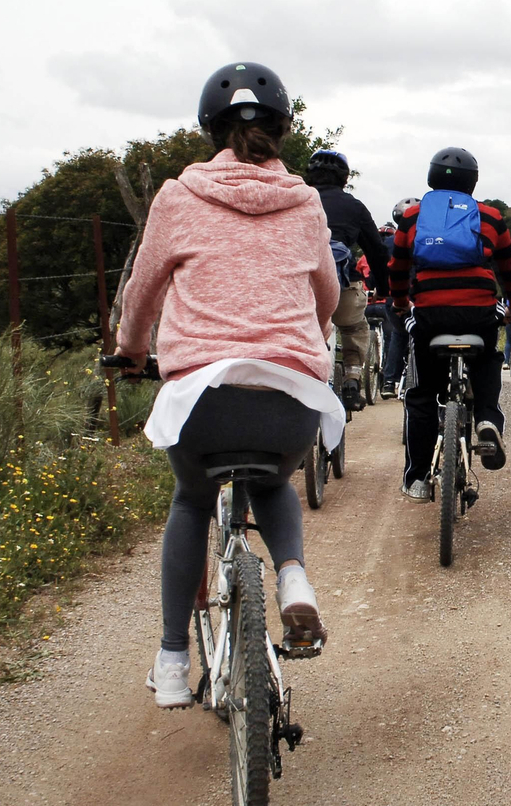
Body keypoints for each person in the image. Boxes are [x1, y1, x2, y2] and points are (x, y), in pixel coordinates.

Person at [116, 61, 346, 709]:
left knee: (193, 499)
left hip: (204, 397)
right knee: (272, 479)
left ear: (212, 130)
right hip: (291, 395)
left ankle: (170, 661)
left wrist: (132, 350)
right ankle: (293, 579)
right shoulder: (304, 200)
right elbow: (325, 294)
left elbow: (141, 294)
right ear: (281, 128)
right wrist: (301, 340)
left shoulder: (179, 195)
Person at [388, 148, 511, 500]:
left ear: (431, 176)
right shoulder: (490, 217)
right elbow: (510, 270)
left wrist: (403, 304)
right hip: (479, 311)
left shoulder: (414, 216)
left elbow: (399, 269)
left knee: (420, 397)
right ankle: (488, 418)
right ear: (473, 182)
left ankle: (418, 477)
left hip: (431, 313)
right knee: (488, 357)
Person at [303, 149, 390, 411]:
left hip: (299, 286)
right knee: (354, 328)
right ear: (344, 178)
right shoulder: (354, 206)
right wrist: (384, 287)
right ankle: (352, 377)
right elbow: (376, 251)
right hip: (342, 284)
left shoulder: (297, 199)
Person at [365, 221, 409, 397]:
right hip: (412, 299)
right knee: (396, 336)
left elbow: (371, 279)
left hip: (381, 301)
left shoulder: (375, 252)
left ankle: (389, 381)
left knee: (398, 335)